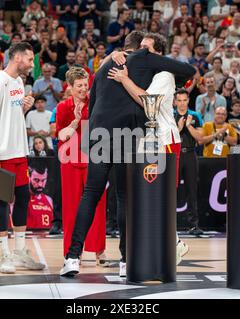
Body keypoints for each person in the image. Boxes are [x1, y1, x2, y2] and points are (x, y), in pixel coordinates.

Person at [60, 31, 196, 277]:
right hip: (127, 135)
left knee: (90, 195)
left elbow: (93, 104)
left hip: (99, 133)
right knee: (123, 198)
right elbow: (186, 70)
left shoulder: (103, 66)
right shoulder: (146, 59)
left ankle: (72, 258)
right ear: (141, 50)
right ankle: (125, 260)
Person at [107, 32, 189, 265]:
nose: (141, 52)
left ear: (158, 53)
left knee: (160, 195)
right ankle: (168, 244)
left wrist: (124, 80)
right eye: (140, 47)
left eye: (147, 48)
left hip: (164, 139)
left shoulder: (164, 74)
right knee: (146, 195)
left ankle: (173, 244)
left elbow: (147, 102)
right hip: (145, 140)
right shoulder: (146, 72)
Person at [0, 42, 45, 273]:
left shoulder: (19, 81)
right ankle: (4, 255)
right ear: (17, 58)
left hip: (19, 151)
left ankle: (19, 252)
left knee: (23, 198)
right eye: (30, 59)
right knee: (1, 202)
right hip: (1, 153)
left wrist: (24, 108)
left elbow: (11, 115)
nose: (32, 64)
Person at [56, 66, 109, 265]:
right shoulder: (62, 108)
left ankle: (99, 251)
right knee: (71, 207)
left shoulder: (95, 104)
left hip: (94, 159)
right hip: (69, 161)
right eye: (79, 85)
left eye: (85, 85)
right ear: (69, 87)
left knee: (98, 205)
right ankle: (71, 252)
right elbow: (61, 135)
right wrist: (76, 121)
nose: (83, 89)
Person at [173, 88, 204, 236]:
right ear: (175, 101)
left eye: (184, 100)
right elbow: (167, 138)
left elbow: (201, 138)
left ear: (188, 100)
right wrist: (179, 128)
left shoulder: (195, 116)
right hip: (175, 155)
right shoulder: (170, 115)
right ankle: (170, 223)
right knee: (172, 190)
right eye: (179, 100)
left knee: (192, 190)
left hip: (191, 154)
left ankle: (194, 225)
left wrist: (188, 126)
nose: (182, 104)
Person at [27, 165, 54, 229]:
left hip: (47, 238)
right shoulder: (21, 198)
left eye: (43, 180)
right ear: (29, 177)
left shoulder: (49, 200)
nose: (40, 184)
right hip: (29, 237)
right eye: (36, 180)